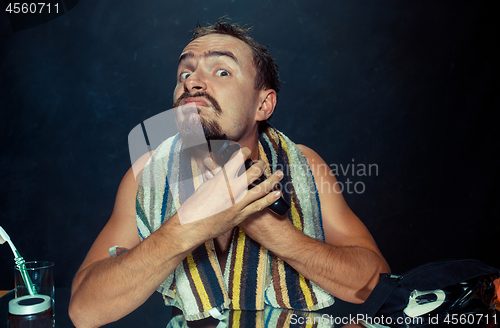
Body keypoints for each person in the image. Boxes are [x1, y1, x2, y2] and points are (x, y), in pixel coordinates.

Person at [69, 20, 390, 327]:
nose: (191, 81)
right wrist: (187, 227)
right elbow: (84, 312)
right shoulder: (146, 174)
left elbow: (379, 287)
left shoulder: (304, 166)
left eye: (222, 71)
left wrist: (280, 237)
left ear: (263, 105)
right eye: (184, 72)